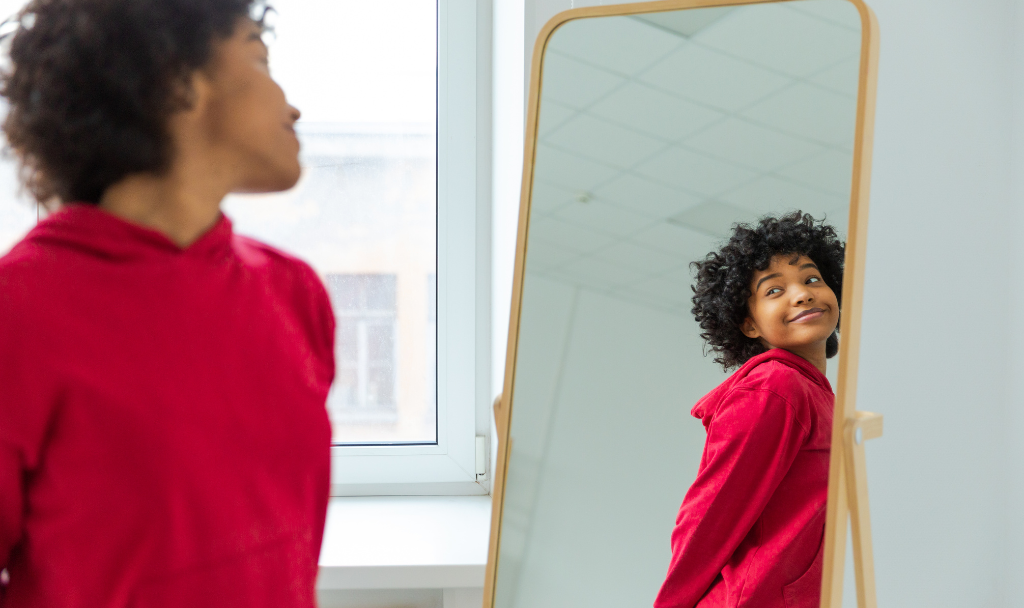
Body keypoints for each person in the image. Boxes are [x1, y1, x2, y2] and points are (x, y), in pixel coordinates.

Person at [0, 1, 335, 606]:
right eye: (258, 58)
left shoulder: (294, 294)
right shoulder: (17, 312)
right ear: (173, 79)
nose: (293, 105)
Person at [654, 211, 844, 608]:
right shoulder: (776, 387)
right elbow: (710, 515)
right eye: (774, 291)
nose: (802, 293)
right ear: (749, 325)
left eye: (812, 279)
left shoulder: (820, 397)